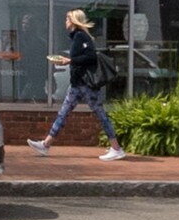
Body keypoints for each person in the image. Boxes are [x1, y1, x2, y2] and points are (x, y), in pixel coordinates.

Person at [29, 8, 126, 161]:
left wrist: (70, 60)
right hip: (77, 84)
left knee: (100, 115)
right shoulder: (76, 37)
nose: (65, 22)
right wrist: (67, 59)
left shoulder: (81, 36)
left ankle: (116, 149)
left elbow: (91, 57)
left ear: (74, 21)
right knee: (63, 112)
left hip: (86, 84)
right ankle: (46, 144)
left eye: (67, 19)